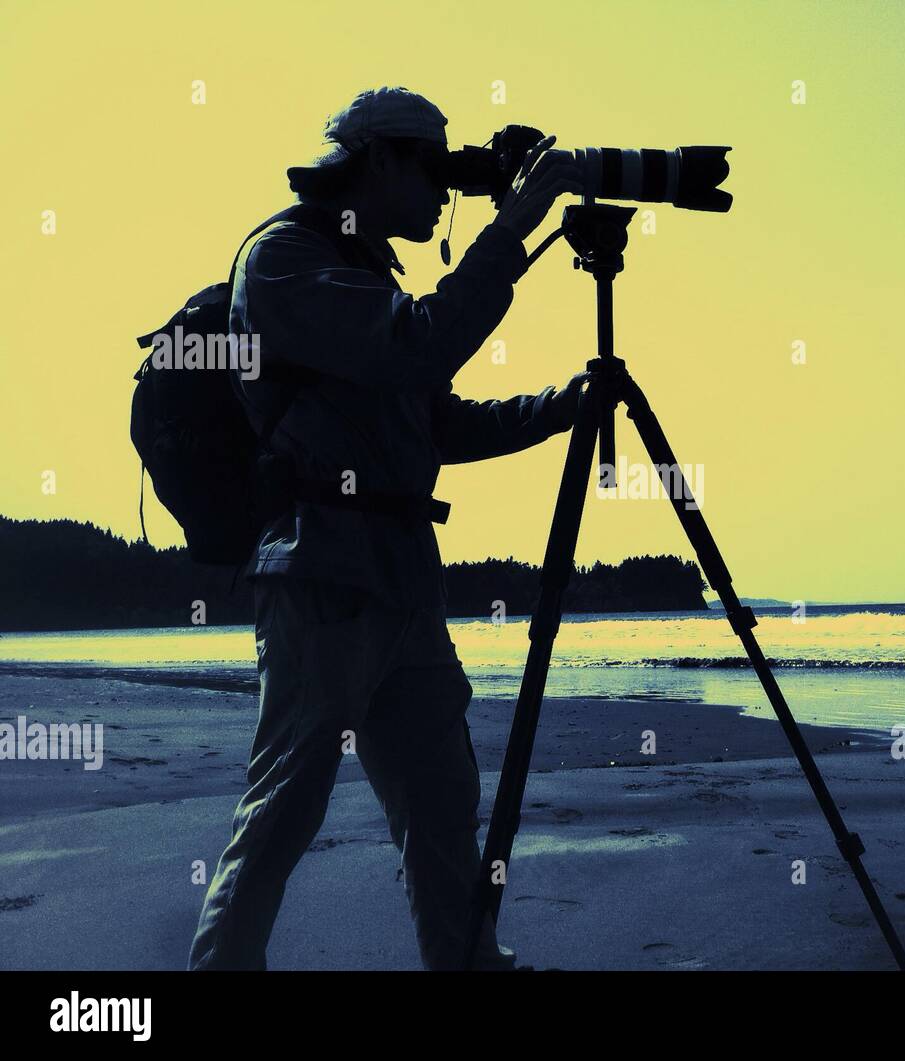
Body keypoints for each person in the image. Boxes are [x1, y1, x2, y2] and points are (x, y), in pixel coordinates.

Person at [188, 86, 583, 971]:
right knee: (287, 804)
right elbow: (419, 346)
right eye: (429, 168)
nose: (443, 189)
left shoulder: (365, 275)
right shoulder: (287, 259)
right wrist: (517, 222)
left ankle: (467, 961)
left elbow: (436, 424)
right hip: (323, 574)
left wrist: (561, 407)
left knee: (443, 800)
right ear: (375, 161)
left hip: (402, 579)